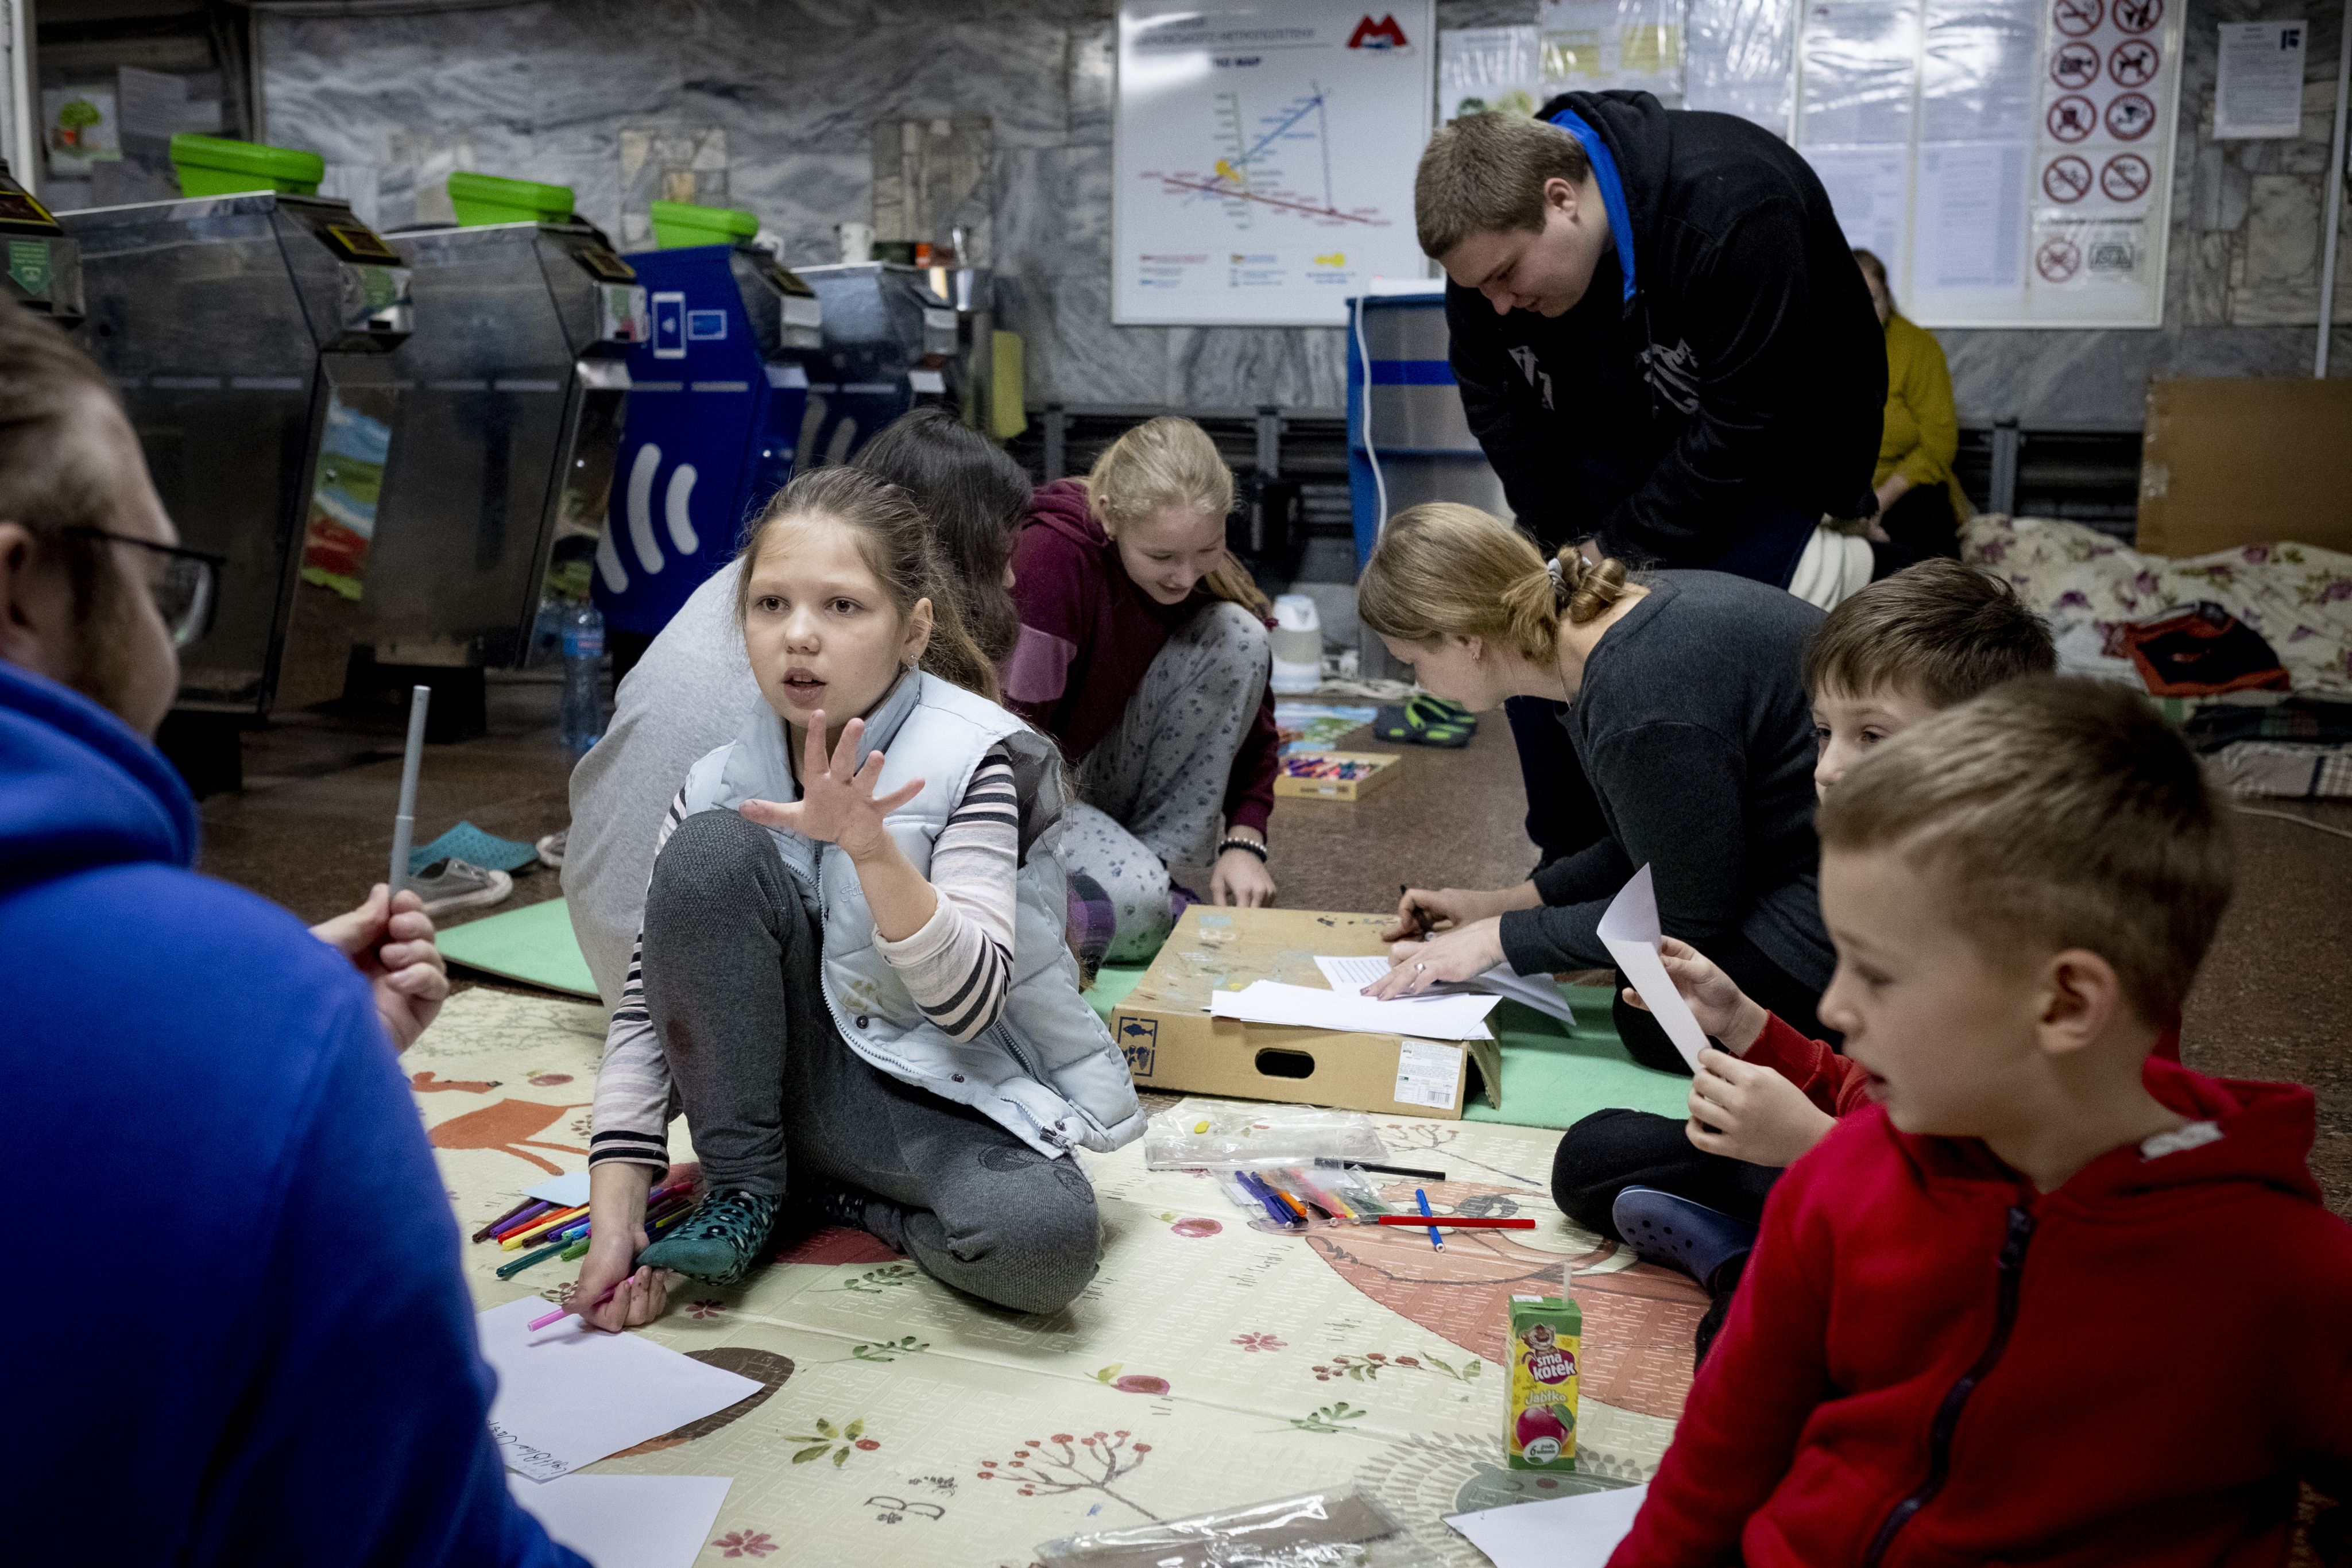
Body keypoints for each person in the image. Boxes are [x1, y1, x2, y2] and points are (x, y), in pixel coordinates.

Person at [0, 301, 573, 1561]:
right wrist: (261, 1038)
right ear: (16, 584)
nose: (164, 636)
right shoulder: (247, 1023)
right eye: (158, 586)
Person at [1607, 677, 2352, 1566]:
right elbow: (1717, 1463)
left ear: (2067, 1001)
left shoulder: (2283, 1275)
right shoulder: (1842, 1181)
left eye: (1877, 974)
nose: (1836, 1005)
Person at [574, 466, 1143, 1327]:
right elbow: (647, 1012)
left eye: (842, 606)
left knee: (1046, 1246)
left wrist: (872, 848)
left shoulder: (976, 756)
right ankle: (747, 1188)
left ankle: (833, 1201)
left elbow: (970, 1005)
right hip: (761, 1097)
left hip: (922, 1081)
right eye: (771, 606)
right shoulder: (718, 779)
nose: (800, 636)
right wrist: (613, 1217)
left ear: (914, 629)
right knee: (706, 854)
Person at [1550, 561, 2057, 1358]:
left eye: (1872, 736)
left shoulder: (2027, 941)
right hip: (1865, 1170)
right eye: (1824, 731)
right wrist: (1744, 1020)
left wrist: (1815, 1147)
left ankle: (1756, 1254)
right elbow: (1866, 1090)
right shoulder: (1895, 887)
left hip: (1966, 1253)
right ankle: (1768, 1240)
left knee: (1750, 1347)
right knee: (1592, 1154)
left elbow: (2004, 1212)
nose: (1827, 767)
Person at [1416, 98, 1887, 870]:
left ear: (1560, 198)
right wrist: (1572, 548)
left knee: (1682, 656)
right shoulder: (1487, 268)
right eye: (1477, 288)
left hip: (1763, 458)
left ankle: (1718, 863)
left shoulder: (1735, 204)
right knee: (1539, 620)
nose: (1496, 303)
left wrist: (1620, 547)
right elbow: (1500, 412)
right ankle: (1575, 866)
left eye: (1505, 275)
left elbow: (1745, 423)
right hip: (1610, 445)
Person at [566, 408, 1037, 1002]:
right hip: (697, 994)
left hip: (612, 952)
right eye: (1002, 552)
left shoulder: (764, 581)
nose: (1014, 578)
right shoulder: (866, 643)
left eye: (840, 606)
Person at [1354, 504, 1832, 1063]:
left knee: (1655, 1023)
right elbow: (1665, 838)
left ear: (1464, 638)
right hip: (1804, 848)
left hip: (1859, 892)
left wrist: (1496, 940)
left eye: (1412, 661)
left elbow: (1689, 912)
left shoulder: (1636, 691)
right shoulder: (1604, 633)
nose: (1419, 685)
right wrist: (1502, 904)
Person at [1004, 416, 1278, 962]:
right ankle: (1136, 886)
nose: (1185, 576)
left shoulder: (1195, 573)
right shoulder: (1051, 562)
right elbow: (1014, 744)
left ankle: (1153, 866)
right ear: (1109, 516)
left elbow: (1253, 723)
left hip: (1099, 773)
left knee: (1239, 633)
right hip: (1027, 790)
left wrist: (1245, 839)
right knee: (1134, 909)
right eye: (1162, 558)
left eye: (1207, 552)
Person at [1854, 247, 1968, 563]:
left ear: (1887, 298)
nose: (1863, 312)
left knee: (1925, 520)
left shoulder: (1919, 348)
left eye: (1873, 299)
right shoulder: (1816, 348)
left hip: (1904, 489)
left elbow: (1939, 445)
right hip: (1840, 495)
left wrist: (1878, 506)